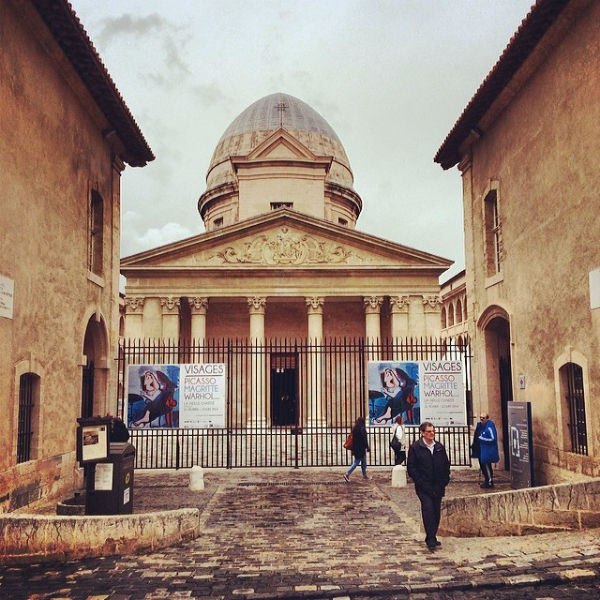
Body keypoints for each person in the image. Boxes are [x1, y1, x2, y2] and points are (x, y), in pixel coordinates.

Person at [407, 421, 450, 551]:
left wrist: (445, 480)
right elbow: (411, 468)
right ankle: (430, 538)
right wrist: (420, 481)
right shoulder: (415, 447)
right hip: (424, 486)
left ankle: (432, 535)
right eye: (429, 432)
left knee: (436, 512)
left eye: (433, 431)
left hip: (438, 485)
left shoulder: (439, 447)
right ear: (423, 433)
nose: (432, 434)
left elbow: (445, 464)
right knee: (428, 510)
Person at [475, 413, 499, 488]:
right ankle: (487, 480)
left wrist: (482, 439)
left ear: (487, 418)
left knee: (486, 466)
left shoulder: (490, 427)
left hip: (487, 450)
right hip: (482, 449)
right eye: (480, 418)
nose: (482, 419)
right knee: (483, 465)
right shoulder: (482, 426)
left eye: (483, 418)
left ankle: (489, 481)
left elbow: (493, 438)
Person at [343, 416, 370, 482]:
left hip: (356, 448)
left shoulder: (354, 429)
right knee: (356, 462)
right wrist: (367, 447)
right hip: (361, 449)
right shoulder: (362, 429)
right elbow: (364, 439)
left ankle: (364, 475)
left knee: (364, 462)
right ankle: (347, 474)